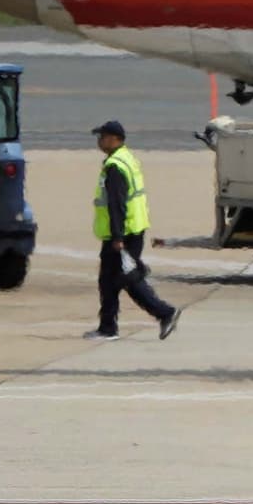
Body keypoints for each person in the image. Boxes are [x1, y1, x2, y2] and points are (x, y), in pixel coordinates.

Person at [91, 121, 178, 340]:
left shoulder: (115, 167)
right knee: (109, 280)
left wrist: (118, 237)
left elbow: (116, 204)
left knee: (126, 279)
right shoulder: (127, 158)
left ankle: (165, 312)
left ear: (114, 139)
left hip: (124, 233)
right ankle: (107, 327)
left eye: (102, 137)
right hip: (133, 229)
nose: (99, 141)